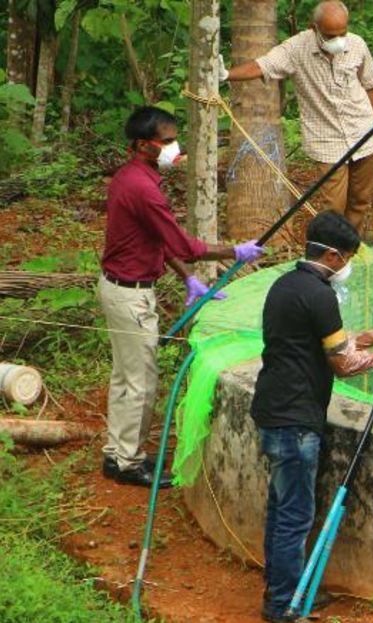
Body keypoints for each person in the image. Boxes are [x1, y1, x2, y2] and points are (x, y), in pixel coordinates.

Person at [251, 211, 373, 622]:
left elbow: (331, 344)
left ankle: (285, 585)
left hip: (272, 408)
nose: (346, 267)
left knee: (280, 507)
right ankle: (282, 606)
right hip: (296, 420)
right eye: (345, 258)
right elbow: (343, 364)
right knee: (295, 515)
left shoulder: (286, 285)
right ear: (330, 255)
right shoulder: (320, 294)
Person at [99, 106, 264, 488]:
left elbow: (156, 240)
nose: (176, 148)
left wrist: (189, 278)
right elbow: (181, 243)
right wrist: (233, 251)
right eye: (168, 141)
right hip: (129, 295)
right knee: (140, 381)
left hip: (120, 287)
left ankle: (117, 452)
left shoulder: (132, 178)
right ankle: (127, 463)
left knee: (125, 377)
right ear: (143, 145)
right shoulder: (141, 188)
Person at [222, 1, 373, 236]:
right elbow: (263, 66)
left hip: (363, 132)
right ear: (314, 28)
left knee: (360, 200)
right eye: (330, 35)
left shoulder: (356, 44)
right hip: (327, 141)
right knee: (332, 207)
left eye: (342, 33)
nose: (338, 40)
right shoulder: (296, 48)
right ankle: (330, 253)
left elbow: (371, 87)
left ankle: (351, 248)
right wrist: (226, 75)